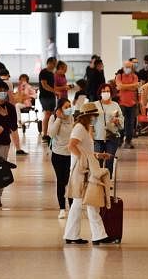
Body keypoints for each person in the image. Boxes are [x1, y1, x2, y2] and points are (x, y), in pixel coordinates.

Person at [62, 102, 115, 245]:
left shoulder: (84, 129)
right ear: (87, 116)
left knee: (80, 203)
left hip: (84, 169)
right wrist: (83, 160)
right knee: (89, 201)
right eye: (93, 116)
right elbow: (71, 146)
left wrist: (97, 155)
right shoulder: (79, 128)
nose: (94, 118)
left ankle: (73, 235)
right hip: (82, 171)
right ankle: (98, 236)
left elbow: (85, 149)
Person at [48, 99, 74, 219]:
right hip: (58, 154)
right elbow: (51, 134)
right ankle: (62, 208)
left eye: (70, 106)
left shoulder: (72, 118)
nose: (69, 108)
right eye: (66, 107)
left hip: (71, 154)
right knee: (61, 181)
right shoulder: (53, 118)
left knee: (70, 182)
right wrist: (59, 118)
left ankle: (72, 207)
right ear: (60, 108)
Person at [93, 83, 123, 176]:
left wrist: (117, 121)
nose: (105, 93)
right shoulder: (95, 104)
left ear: (111, 92)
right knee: (98, 160)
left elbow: (121, 119)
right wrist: (90, 136)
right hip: (98, 137)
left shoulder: (115, 105)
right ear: (100, 93)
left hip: (112, 136)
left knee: (109, 160)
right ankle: (98, 180)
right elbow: (90, 122)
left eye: (107, 91)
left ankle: (108, 181)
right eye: (103, 91)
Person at [0, 70, 27, 156]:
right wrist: (13, 108)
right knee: (13, 129)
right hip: (7, 107)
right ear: (7, 75)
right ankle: (18, 149)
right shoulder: (8, 82)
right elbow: (10, 96)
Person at [115, 60, 139, 148]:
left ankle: (128, 141)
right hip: (121, 103)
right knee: (120, 122)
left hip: (132, 103)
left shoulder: (134, 76)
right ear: (123, 67)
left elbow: (136, 86)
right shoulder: (119, 76)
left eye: (129, 67)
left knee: (130, 123)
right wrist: (131, 86)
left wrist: (124, 87)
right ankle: (119, 140)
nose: (128, 69)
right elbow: (119, 86)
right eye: (126, 67)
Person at [38, 57, 57, 142]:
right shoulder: (43, 72)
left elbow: (53, 85)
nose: (54, 65)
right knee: (47, 114)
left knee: (52, 114)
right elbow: (44, 85)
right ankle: (44, 134)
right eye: (53, 63)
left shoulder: (52, 73)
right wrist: (54, 91)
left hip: (51, 96)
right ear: (49, 63)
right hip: (44, 96)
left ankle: (50, 133)